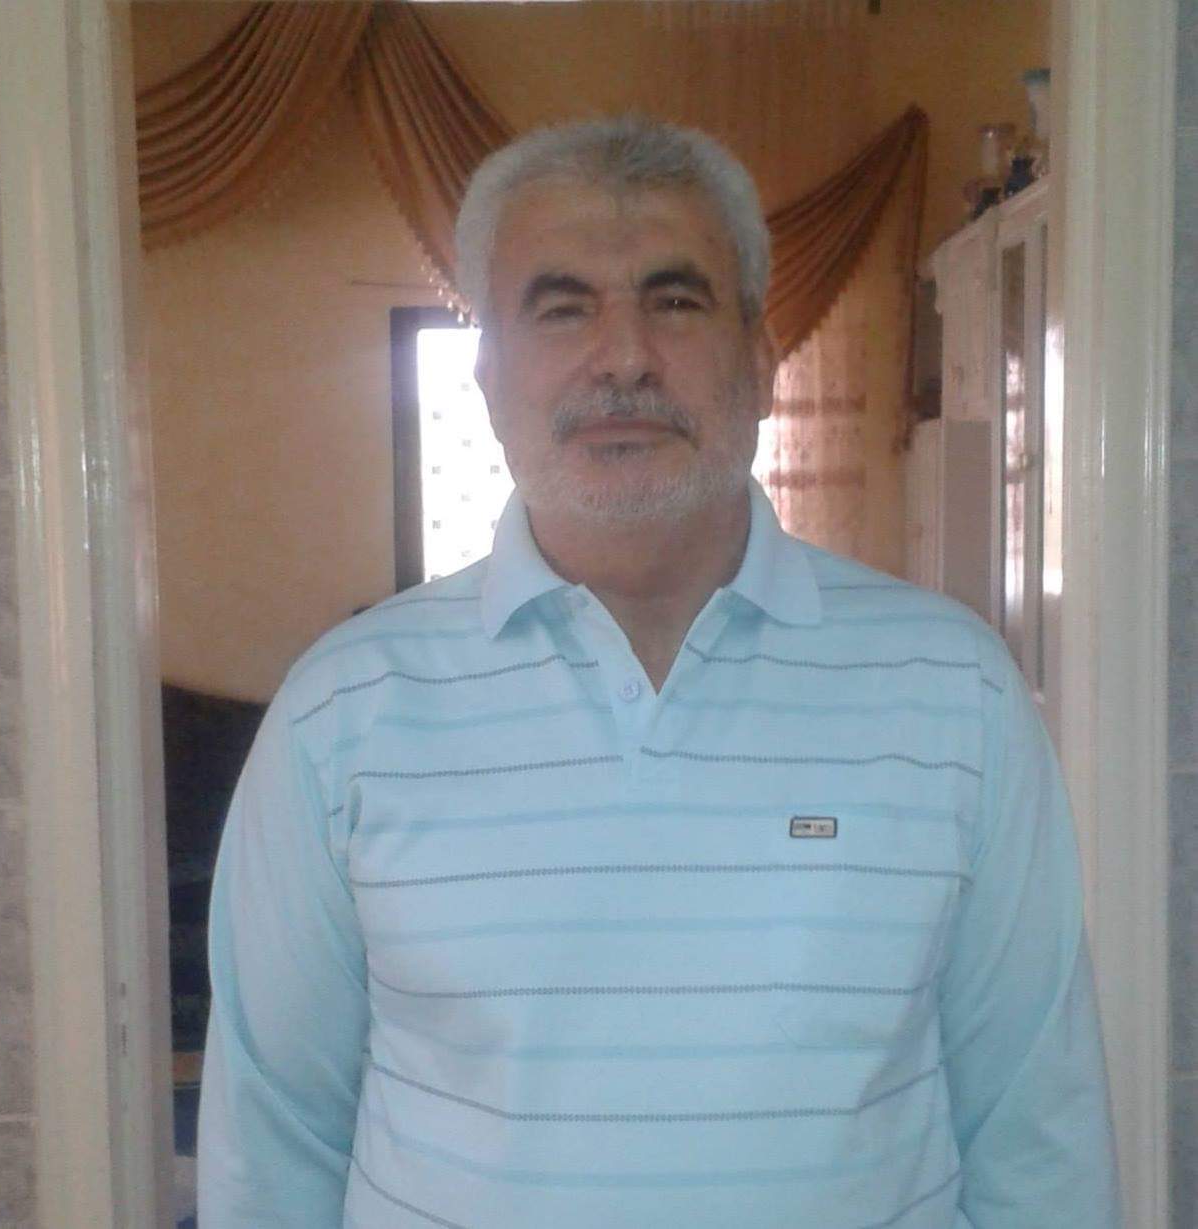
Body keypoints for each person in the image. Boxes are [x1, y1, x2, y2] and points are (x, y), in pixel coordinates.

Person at [197, 116, 1122, 1229]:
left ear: (760, 363)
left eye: (675, 299)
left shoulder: (953, 691)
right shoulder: (339, 713)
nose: (624, 356)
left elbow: (1037, 1134)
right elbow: (273, 1147)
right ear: (487, 376)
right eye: (562, 305)